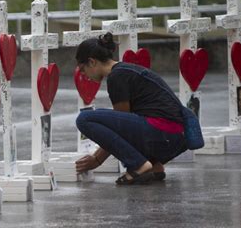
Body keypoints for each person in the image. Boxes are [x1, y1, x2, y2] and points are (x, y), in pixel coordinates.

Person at [75, 33, 187, 185]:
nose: (84, 75)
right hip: (176, 138)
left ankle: (139, 166)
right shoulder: (127, 70)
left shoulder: (117, 77)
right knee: (132, 120)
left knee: (85, 119)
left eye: (83, 69)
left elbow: (120, 129)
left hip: (163, 134)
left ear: (92, 62)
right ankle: (155, 165)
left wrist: (97, 159)